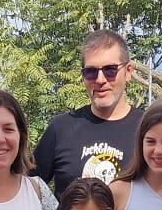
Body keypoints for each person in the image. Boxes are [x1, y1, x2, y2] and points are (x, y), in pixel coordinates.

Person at [33, 28, 146, 194]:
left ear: (128, 72)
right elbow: (28, 187)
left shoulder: (147, 129)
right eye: (91, 72)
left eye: (110, 70)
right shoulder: (61, 128)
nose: (100, 80)